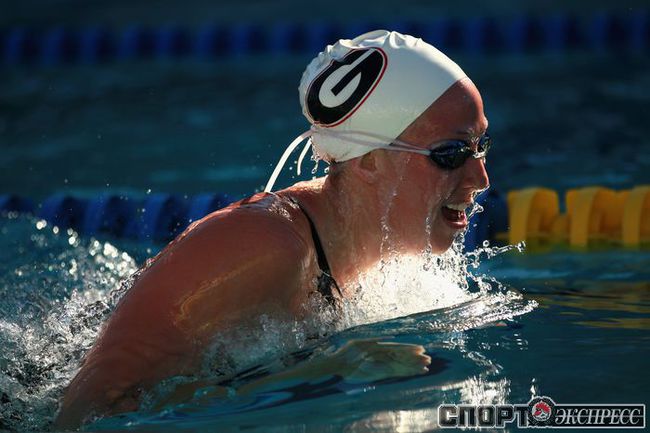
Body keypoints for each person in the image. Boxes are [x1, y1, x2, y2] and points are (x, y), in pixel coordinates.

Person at [55, 29, 489, 429]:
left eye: (480, 147)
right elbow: (87, 412)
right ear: (371, 161)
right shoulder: (265, 246)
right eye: (451, 154)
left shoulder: (356, 255)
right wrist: (325, 370)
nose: (480, 178)